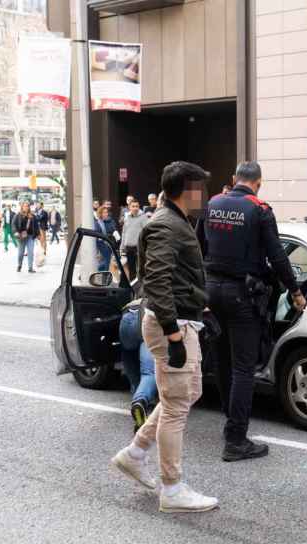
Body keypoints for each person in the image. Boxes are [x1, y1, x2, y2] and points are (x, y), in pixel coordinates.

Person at [110, 160, 217, 513]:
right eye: (200, 188)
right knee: (175, 405)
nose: (205, 195)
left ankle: (135, 453)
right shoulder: (166, 225)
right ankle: (171, 489)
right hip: (172, 327)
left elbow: (173, 277)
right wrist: (173, 335)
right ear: (187, 190)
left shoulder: (176, 221)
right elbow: (156, 281)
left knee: (188, 393)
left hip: (184, 323)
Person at [197, 161, 307, 462]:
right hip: (242, 295)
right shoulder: (259, 210)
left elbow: (198, 247)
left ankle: (229, 423)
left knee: (222, 361)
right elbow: (278, 257)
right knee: (244, 367)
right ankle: (236, 440)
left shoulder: (213, 204)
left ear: (234, 179)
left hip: (212, 291)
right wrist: (295, 292)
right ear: (258, 183)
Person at [119, 299, 158, 431]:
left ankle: (137, 392)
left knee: (128, 354)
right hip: (146, 318)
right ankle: (140, 400)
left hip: (127, 318)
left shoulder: (145, 282)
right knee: (149, 372)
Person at [120, 198, 149, 282]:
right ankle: (133, 289)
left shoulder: (143, 217)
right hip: (128, 247)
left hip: (139, 248)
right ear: (129, 207)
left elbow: (147, 232)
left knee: (141, 269)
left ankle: (142, 288)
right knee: (131, 269)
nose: (135, 208)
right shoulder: (127, 217)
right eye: (133, 206)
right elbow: (124, 233)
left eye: (137, 206)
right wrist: (122, 247)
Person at [12, 201, 39, 273]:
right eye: (24, 206)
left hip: (30, 236)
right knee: (21, 253)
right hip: (21, 236)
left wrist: (38, 235)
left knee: (30, 252)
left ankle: (30, 268)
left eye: (27, 206)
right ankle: (19, 265)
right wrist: (16, 232)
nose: (26, 207)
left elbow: (36, 226)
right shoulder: (18, 215)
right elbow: (14, 224)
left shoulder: (32, 216)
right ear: (22, 207)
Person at [93, 205, 117, 272]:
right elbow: (97, 235)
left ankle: (102, 272)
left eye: (107, 212)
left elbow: (111, 230)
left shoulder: (106, 222)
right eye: (104, 212)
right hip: (100, 244)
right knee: (106, 260)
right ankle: (101, 272)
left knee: (107, 260)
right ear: (100, 213)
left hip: (107, 243)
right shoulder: (97, 223)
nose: (106, 214)